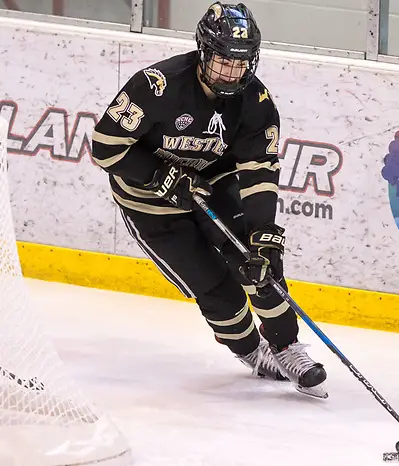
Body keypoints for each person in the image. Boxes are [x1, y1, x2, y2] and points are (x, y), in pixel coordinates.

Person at [90, 2, 327, 399]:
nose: (232, 73)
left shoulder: (256, 101)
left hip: (213, 185)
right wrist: (159, 175)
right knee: (217, 289)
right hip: (149, 202)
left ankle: (287, 347)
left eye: (241, 63)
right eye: (223, 61)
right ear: (202, 50)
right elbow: (105, 147)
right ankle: (253, 351)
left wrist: (263, 231)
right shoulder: (157, 86)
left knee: (260, 263)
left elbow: (259, 172)